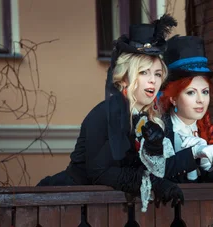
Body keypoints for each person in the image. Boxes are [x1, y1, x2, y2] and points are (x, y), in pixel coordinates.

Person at [37, 15, 183, 209]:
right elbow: (100, 172)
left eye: (157, 74)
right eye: (143, 72)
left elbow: (158, 171)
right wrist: (153, 184)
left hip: (114, 211)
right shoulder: (105, 114)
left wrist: (155, 149)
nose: (153, 81)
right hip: (72, 205)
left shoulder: (155, 119)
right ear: (124, 79)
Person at [158, 35, 213, 183]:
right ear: (173, 98)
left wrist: (208, 167)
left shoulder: (207, 127)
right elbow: (158, 174)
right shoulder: (160, 128)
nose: (200, 100)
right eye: (191, 92)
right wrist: (191, 155)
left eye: (205, 92)